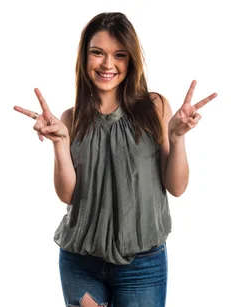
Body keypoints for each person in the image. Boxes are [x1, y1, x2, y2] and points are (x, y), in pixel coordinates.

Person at [14, 12, 217, 307]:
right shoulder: (71, 119)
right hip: (80, 261)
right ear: (85, 58)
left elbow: (176, 187)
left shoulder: (154, 107)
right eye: (98, 53)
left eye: (119, 55)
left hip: (143, 264)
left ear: (130, 60)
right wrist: (59, 144)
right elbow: (68, 195)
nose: (108, 65)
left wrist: (177, 137)